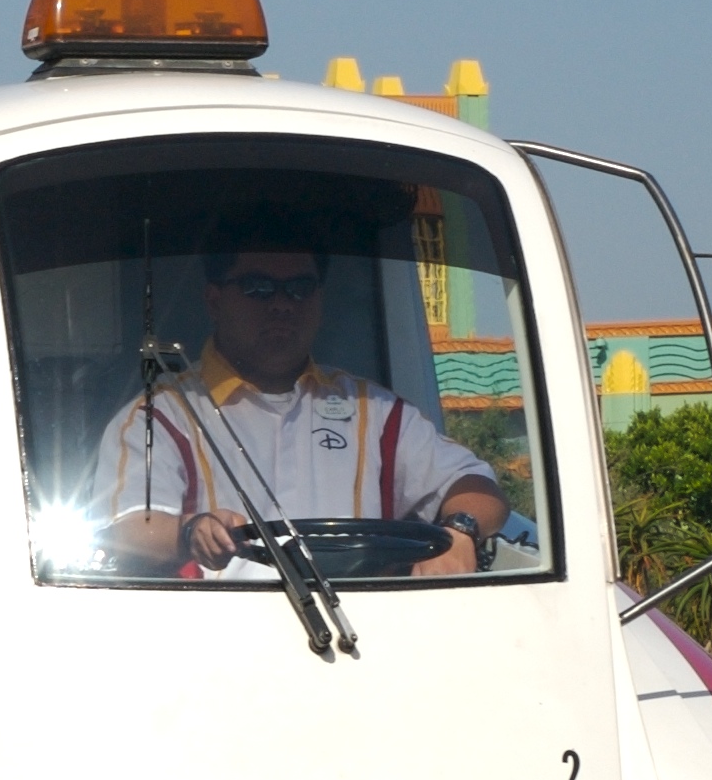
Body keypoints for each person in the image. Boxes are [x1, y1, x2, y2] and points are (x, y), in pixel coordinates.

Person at [97, 209, 508, 579]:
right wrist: (190, 530)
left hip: (366, 640)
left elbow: (478, 487)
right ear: (215, 299)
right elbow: (129, 525)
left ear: (319, 298)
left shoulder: (375, 412)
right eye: (259, 288)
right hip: (217, 642)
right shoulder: (162, 418)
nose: (282, 305)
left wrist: (460, 533)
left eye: (299, 288)